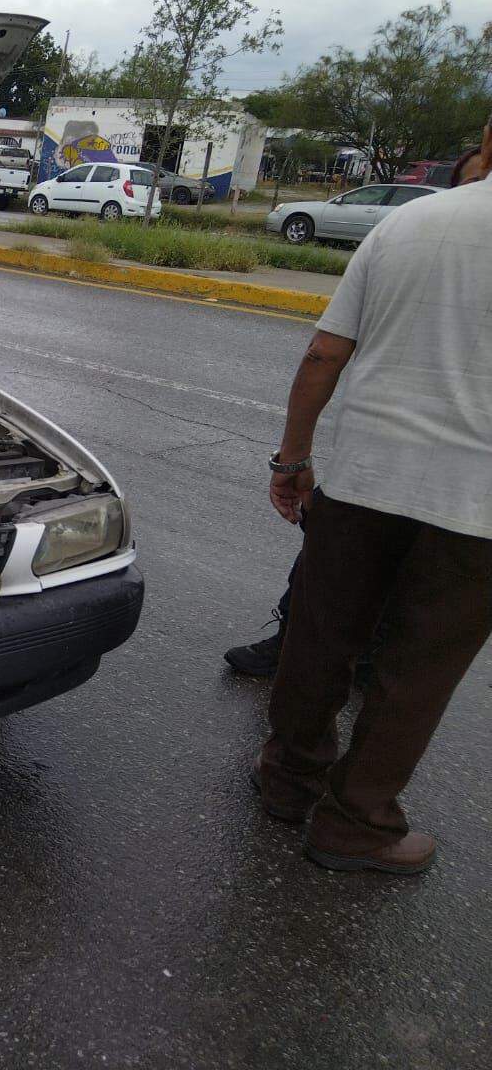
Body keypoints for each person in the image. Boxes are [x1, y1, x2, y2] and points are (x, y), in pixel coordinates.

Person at [253, 117, 492, 875]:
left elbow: (324, 351)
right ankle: (355, 823)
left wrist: (292, 458)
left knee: (320, 638)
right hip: (474, 511)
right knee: (412, 671)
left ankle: (286, 781)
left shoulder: (410, 221)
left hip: (360, 484)